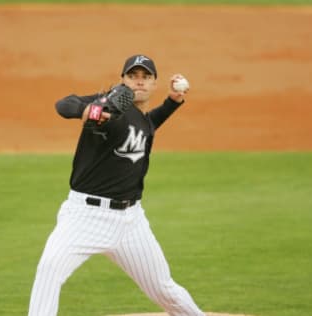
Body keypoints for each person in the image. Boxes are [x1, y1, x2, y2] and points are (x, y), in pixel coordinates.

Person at [28, 54, 206, 316]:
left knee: (163, 289)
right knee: (49, 271)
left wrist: (173, 101)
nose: (139, 82)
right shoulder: (106, 102)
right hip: (84, 217)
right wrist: (88, 111)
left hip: (131, 222)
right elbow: (64, 104)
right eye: (133, 76)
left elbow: (148, 125)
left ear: (154, 83)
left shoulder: (143, 119)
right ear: (123, 80)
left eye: (146, 77)